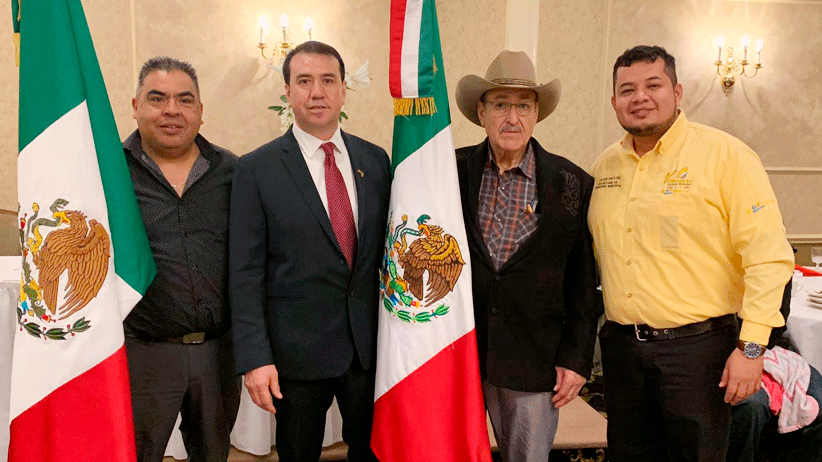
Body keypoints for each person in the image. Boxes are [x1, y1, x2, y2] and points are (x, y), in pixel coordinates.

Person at [588, 45, 794, 462]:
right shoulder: (605, 167)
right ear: (614, 102)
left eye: (653, 85)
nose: (640, 97)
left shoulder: (726, 156)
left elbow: (768, 258)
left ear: (677, 92)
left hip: (698, 354)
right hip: (622, 352)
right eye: (627, 90)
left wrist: (752, 349)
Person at [229, 41, 390, 462]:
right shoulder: (255, 169)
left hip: (368, 353)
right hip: (295, 358)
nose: (317, 92)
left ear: (343, 90)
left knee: (374, 454)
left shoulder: (375, 161)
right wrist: (255, 358)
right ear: (287, 92)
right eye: (304, 81)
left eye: (327, 80)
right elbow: (244, 273)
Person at [454, 50, 601, 462]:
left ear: (536, 114)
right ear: (481, 112)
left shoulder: (572, 183)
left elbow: (583, 283)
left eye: (523, 106)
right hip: (458, 357)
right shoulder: (450, 170)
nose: (512, 118)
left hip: (533, 362)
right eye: (501, 105)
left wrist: (576, 359)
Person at [123, 56, 240, 462]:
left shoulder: (232, 170)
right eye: (157, 98)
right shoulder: (109, 173)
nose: (172, 110)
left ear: (200, 111)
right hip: (141, 353)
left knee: (213, 455)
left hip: (219, 355)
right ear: (136, 106)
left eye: (184, 100)